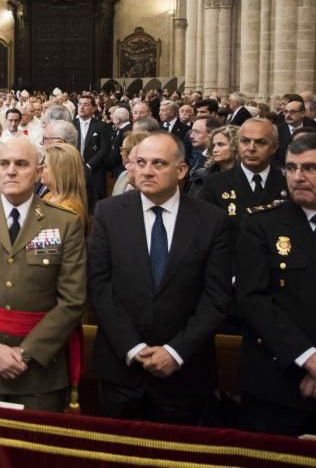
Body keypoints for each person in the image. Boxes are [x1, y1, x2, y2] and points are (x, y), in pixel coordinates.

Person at [88, 132, 232, 425]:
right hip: (122, 368)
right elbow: (99, 286)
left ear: (181, 170)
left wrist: (176, 351)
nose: (146, 171)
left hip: (185, 371)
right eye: (140, 162)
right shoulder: (108, 212)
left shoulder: (211, 220)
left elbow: (216, 297)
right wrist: (133, 347)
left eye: (158, 163)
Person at [0, 138, 86, 409]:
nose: (11, 171)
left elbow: (73, 300)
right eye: (5, 163)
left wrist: (26, 353)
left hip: (41, 370)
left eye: (21, 164)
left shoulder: (64, 223)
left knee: (34, 450)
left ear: (38, 172)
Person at [236, 133, 316, 438]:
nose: (297, 177)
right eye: (291, 168)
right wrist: (308, 359)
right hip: (277, 385)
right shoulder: (262, 225)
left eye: (310, 168)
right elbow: (252, 298)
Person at [74, 93, 111, 211]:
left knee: (95, 207)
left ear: (94, 108)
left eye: (85, 104)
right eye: (79, 104)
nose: (81, 107)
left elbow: (104, 149)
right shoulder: (71, 124)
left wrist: (88, 166)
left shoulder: (101, 125)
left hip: (95, 171)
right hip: (74, 170)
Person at [42, 143, 89, 231]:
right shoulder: (49, 196)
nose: (40, 169)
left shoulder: (68, 209)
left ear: (59, 171)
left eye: (45, 166)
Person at [185, 124, 238, 198]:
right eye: (213, 146)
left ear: (235, 145)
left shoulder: (248, 177)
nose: (215, 150)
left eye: (221, 144)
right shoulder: (200, 175)